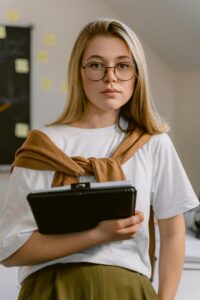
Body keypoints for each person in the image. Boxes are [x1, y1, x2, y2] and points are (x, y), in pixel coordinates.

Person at [0, 18, 199, 300]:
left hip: (128, 291)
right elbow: (10, 250)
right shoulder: (42, 146)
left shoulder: (153, 143)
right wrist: (99, 235)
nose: (111, 77)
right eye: (96, 65)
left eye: (123, 65)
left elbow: (172, 234)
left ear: (137, 73)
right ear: (78, 72)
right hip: (50, 291)